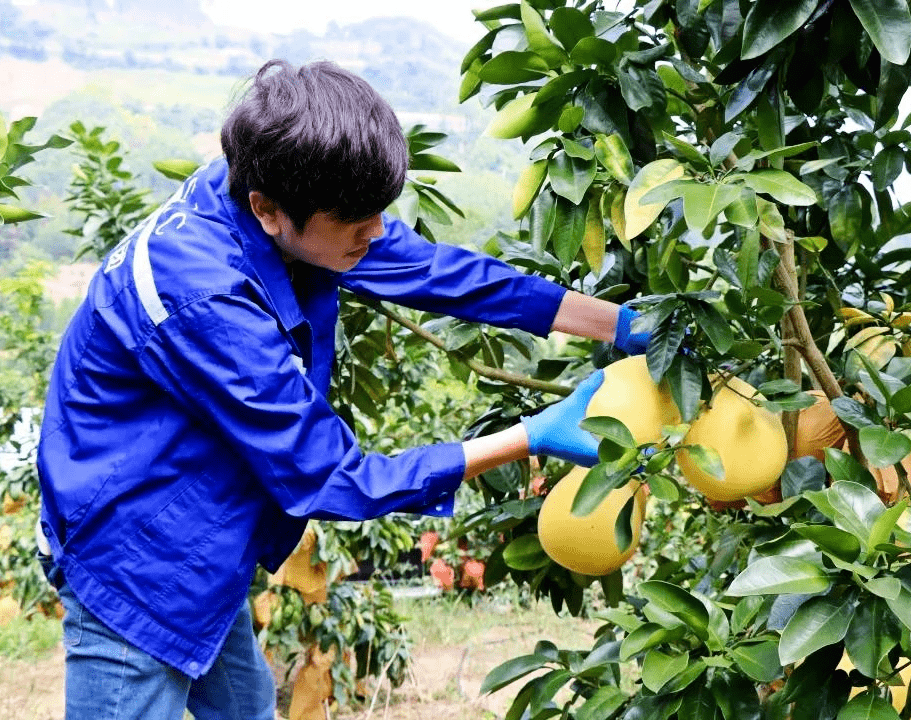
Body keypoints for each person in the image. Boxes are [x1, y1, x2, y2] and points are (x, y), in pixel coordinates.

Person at [35, 59, 654, 720]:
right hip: (134, 567)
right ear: (267, 211)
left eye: (378, 212)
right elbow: (332, 478)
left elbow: (442, 273)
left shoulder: (280, 190)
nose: (379, 233)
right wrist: (531, 436)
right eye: (358, 222)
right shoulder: (206, 296)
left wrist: (620, 324)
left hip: (204, 551)